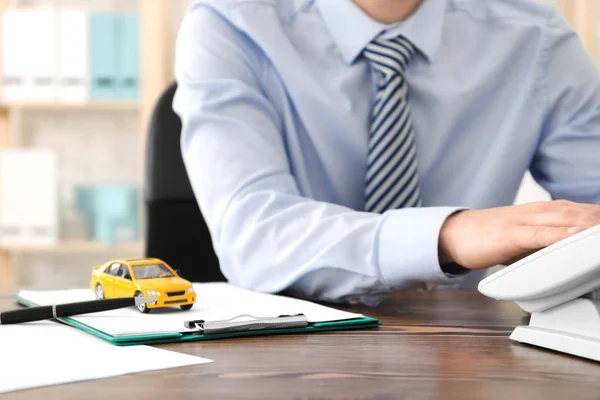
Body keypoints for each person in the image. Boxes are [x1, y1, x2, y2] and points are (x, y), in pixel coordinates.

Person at [172, 0, 600, 306]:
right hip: (284, 348)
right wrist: (447, 236)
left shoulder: (538, 38)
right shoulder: (231, 23)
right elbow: (254, 234)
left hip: (466, 352)